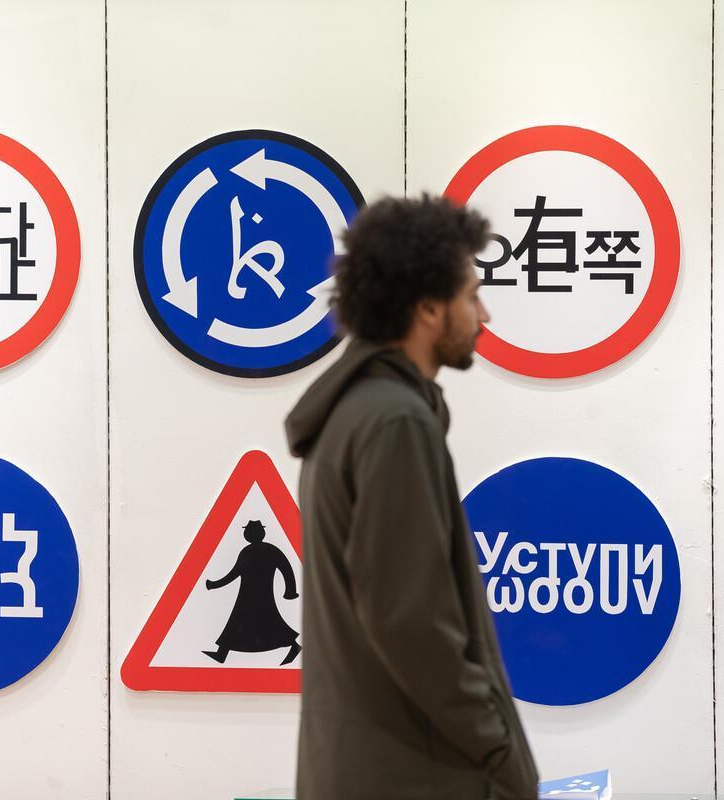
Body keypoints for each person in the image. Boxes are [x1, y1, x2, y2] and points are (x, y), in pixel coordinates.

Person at [285, 195, 539, 800]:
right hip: (415, 774)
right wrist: (497, 744)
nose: (485, 314)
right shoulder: (394, 423)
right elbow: (410, 620)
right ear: (428, 308)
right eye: (471, 294)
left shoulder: (354, 413)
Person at [203, 519, 301, 665]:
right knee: (242, 622)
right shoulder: (252, 551)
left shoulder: (259, 551)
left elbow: (285, 568)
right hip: (248, 595)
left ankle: (294, 647)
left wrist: (290, 591)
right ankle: (221, 653)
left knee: (267, 621)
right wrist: (215, 584)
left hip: (258, 595)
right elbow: (235, 573)